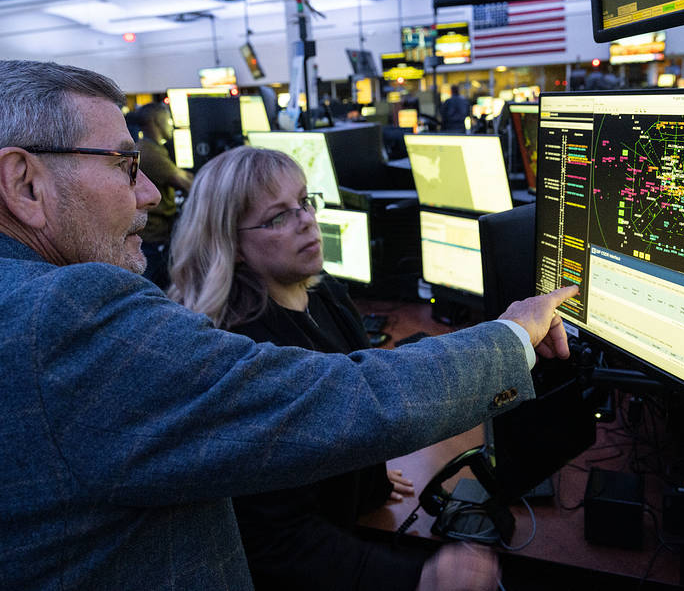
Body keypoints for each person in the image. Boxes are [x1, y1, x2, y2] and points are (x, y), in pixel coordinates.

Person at [0, 59, 577, 589]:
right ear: (23, 182)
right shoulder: (61, 313)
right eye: (124, 164)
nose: (147, 192)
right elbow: (331, 402)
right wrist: (511, 335)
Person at [170, 146, 466, 590]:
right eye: (277, 218)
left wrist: (364, 476)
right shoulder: (245, 350)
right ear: (231, 246)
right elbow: (275, 539)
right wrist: (421, 579)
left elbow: (352, 398)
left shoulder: (323, 294)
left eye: (304, 202)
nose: (307, 220)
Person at [134, 101, 193, 288]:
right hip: (155, 238)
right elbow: (185, 183)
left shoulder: (152, 148)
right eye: (167, 120)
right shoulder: (149, 153)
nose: (171, 124)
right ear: (156, 121)